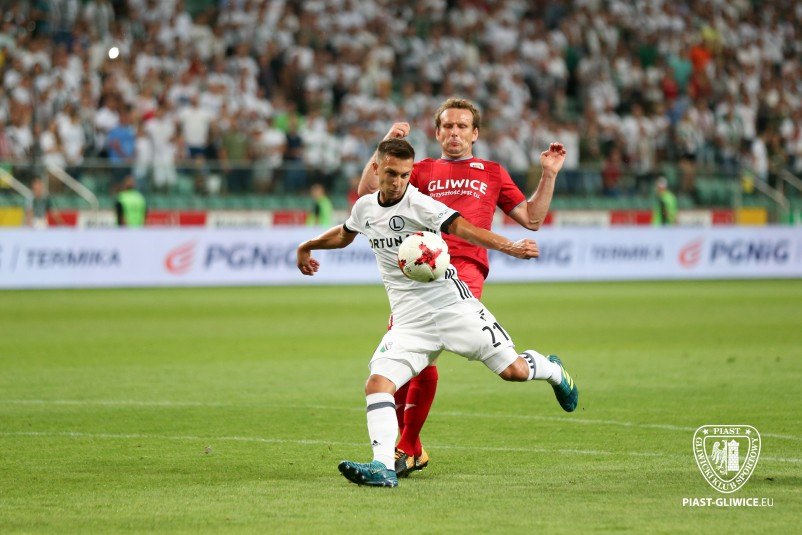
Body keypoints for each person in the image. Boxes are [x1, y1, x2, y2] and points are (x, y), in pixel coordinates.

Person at [297, 138, 578, 488]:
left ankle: (553, 370)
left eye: (404, 175)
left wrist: (511, 247)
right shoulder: (366, 208)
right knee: (377, 384)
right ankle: (383, 466)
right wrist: (307, 245)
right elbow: (344, 235)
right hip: (409, 321)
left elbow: (466, 230)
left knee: (514, 371)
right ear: (377, 169)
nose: (398, 181)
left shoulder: (422, 205)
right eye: (391, 174)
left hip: (453, 308)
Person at [357, 98, 566, 477]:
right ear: (437, 132)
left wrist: (548, 174)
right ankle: (409, 448)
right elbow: (369, 195)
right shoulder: (421, 169)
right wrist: (385, 143)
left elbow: (532, 219)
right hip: (419, 271)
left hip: (463, 270)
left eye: (462, 126)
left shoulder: (492, 172)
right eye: (448, 126)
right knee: (405, 358)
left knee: (422, 352)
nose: (455, 133)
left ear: (475, 133)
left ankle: (407, 448)